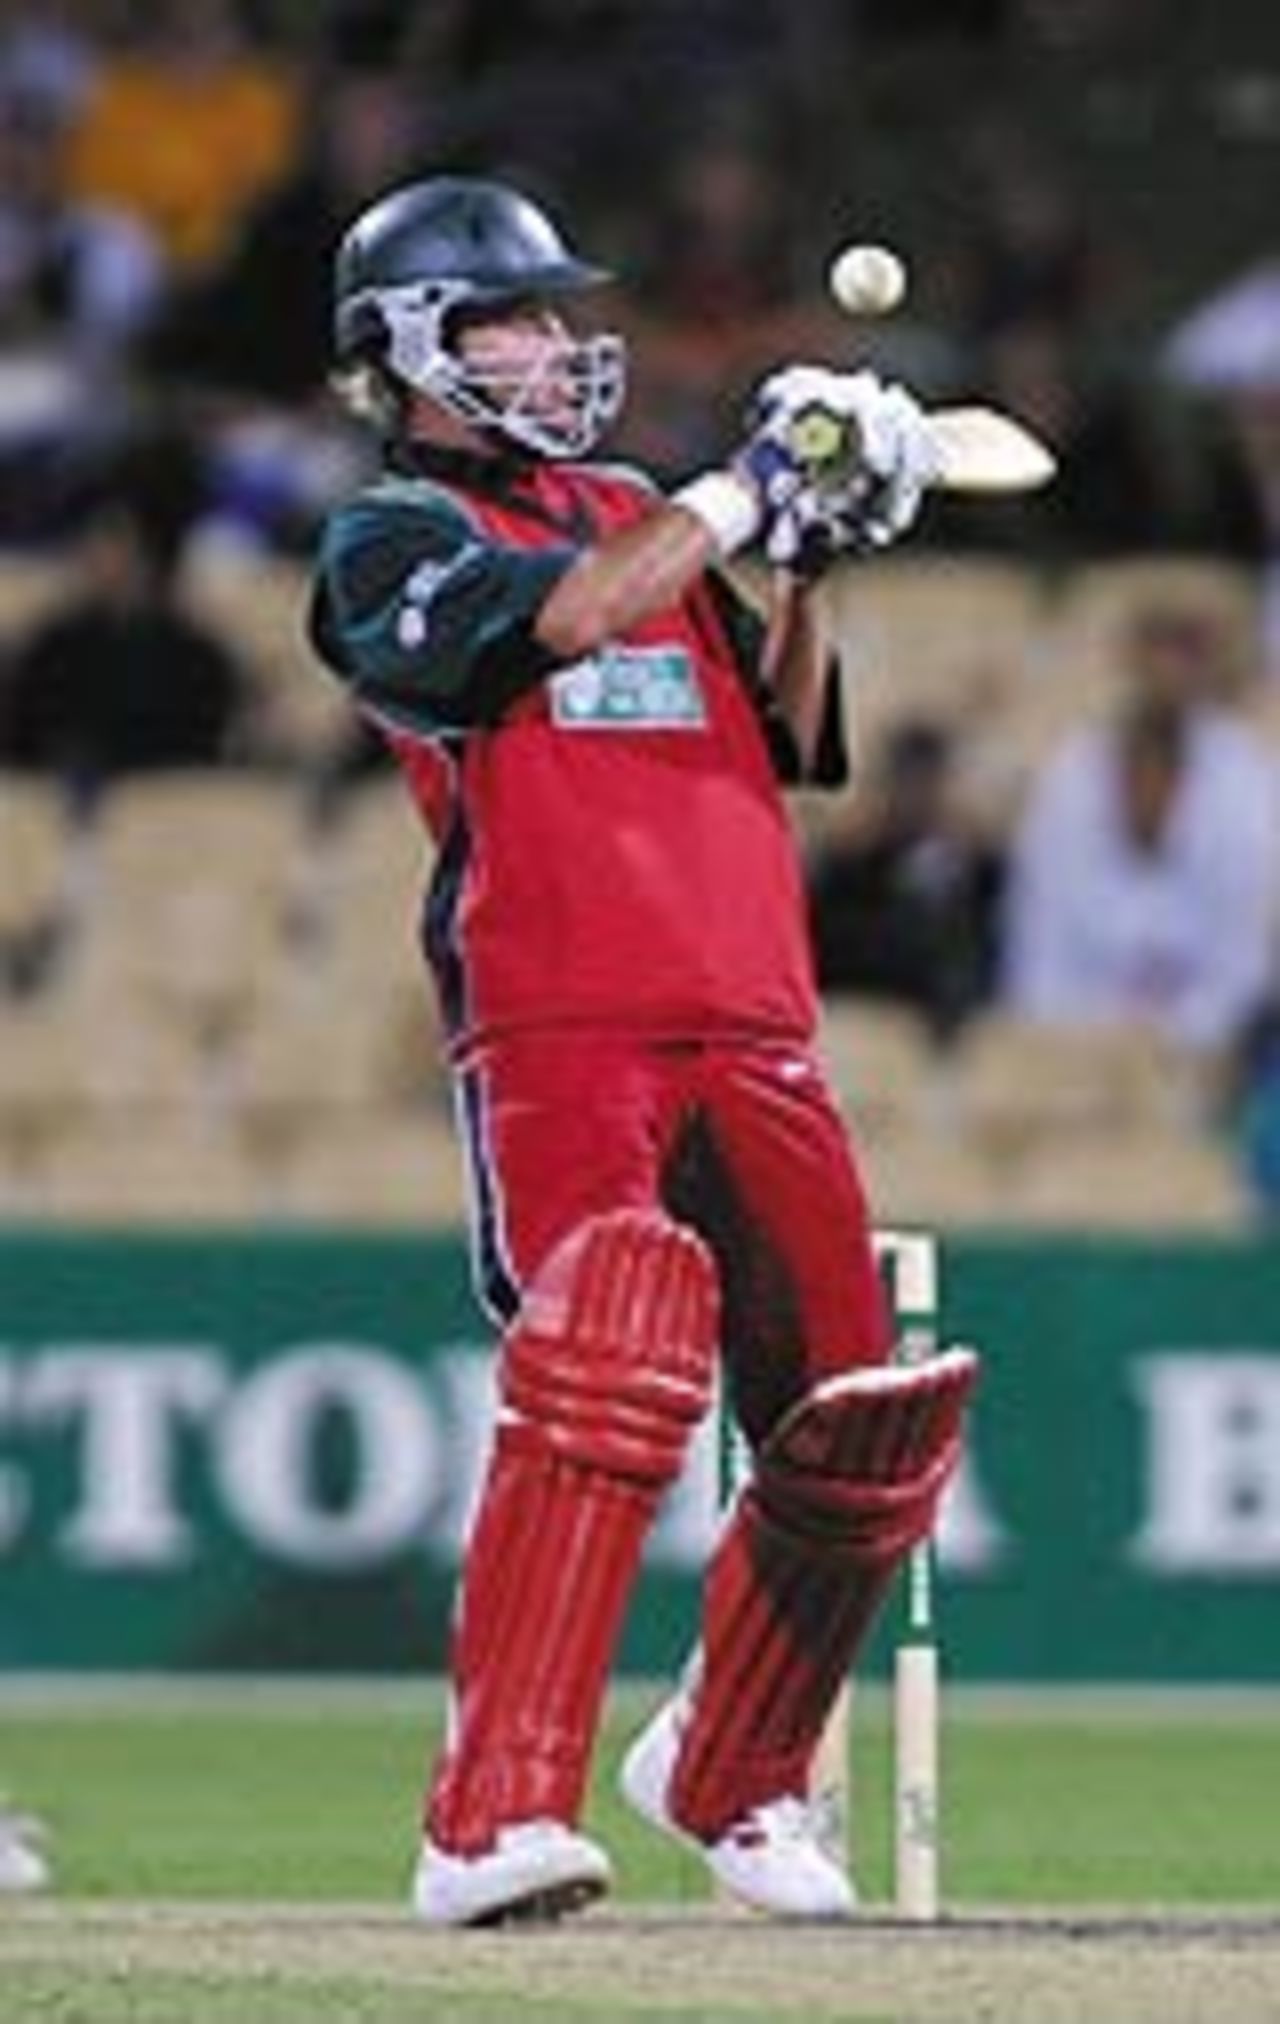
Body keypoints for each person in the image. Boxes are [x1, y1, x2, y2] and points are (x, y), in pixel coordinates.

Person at [308, 174, 977, 1928]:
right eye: (512, 319)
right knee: (609, 1333)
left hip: (753, 1003)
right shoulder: (389, 540)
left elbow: (798, 731)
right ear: (410, 348)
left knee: (857, 1420)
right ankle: (489, 1815)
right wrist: (745, 485)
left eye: (550, 315)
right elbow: (576, 622)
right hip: (560, 1015)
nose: (551, 345)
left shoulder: (624, 508)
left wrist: (807, 561)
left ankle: (735, 1771)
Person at [1002, 600, 1280, 1053]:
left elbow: (1246, 946)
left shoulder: (1246, 779)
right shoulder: (1071, 776)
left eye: (1184, 658)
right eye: (1156, 657)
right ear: (1129, 667)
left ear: (1207, 674)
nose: (1168, 675)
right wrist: (1069, 1039)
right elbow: (1037, 936)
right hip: (1077, 1033)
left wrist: (1186, 1035)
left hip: (1211, 1041)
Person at [807, 716, 1005, 1039]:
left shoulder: (980, 876)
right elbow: (830, 955)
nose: (914, 800)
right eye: (905, 783)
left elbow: (990, 960)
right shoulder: (847, 875)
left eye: (926, 784)